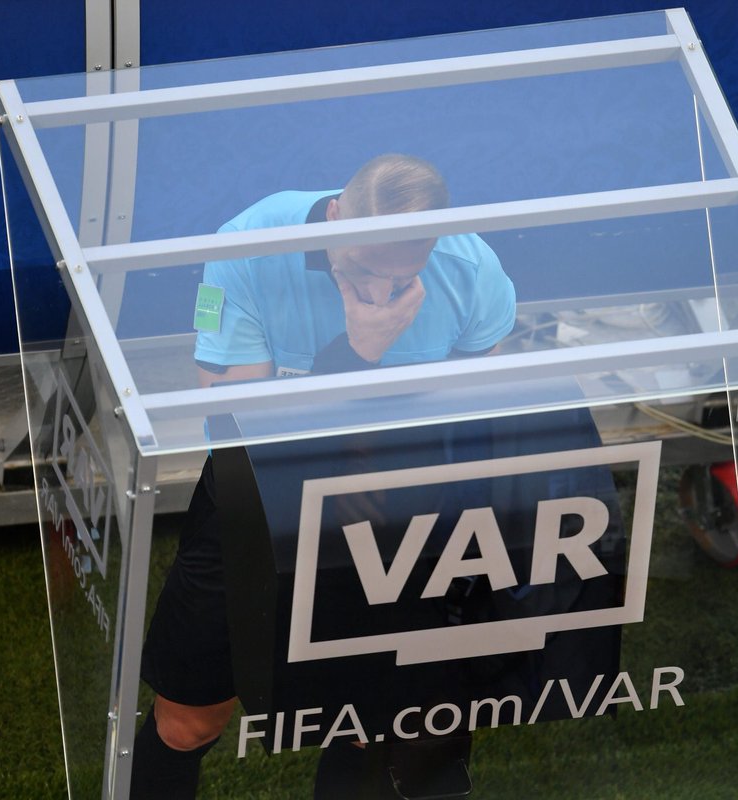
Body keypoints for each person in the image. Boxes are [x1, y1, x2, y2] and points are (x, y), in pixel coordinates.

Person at [131, 154, 516, 799]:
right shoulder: (247, 246)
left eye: (404, 277)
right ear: (335, 216)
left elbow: (482, 417)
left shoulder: (471, 268)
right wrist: (357, 354)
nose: (381, 295)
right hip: (262, 495)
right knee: (188, 720)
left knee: (378, 724)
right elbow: (233, 425)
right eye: (363, 269)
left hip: (397, 501)